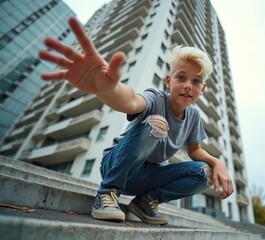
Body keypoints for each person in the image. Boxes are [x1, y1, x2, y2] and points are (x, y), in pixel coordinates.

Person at [39, 17, 233, 225]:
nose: (188, 85)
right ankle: (107, 192)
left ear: (202, 90)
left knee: (205, 173)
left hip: (147, 178)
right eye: (181, 78)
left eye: (196, 81)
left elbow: (195, 151)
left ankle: (146, 202)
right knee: (158, 124)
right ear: (169, 81)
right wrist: (108, 89)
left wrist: (218, 162)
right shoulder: (156, 98)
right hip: (117, 165)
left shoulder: (193, 116)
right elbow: (131, 101)